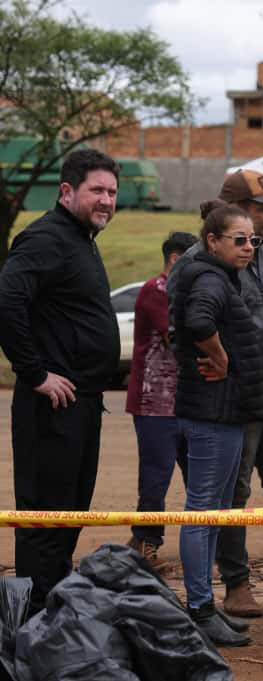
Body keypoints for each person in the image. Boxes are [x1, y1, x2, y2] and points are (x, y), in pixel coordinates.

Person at [170, 169, 263, 619]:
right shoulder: (203, 262)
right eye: (261, 208)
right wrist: (215, 356)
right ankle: (235, 584)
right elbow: (184, 324)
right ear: (233, 210)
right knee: (232, 495)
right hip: (232, 400)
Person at [0, 149, 121, 614]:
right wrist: (34, 373)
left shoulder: (81, 239)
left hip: (82, 404)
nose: (106, 200)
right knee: (45, 522)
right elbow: (6, 300)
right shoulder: (47, 238)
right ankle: (32, 627)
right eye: (97, 190)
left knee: (68, 516)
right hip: (50, 408)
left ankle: (54, 618)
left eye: (112, 192)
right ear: (67, 191)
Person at [172, 205, 263, 647]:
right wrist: (222, 358)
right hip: (212, 414)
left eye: (253, 240)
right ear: (212, 241)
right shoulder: (210, 278)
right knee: (203, 511)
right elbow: (198, 322)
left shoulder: (219, 276)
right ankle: (199, 609)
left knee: (215, 512)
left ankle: (204, 604)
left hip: (224, 412)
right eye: (239, 240)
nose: (249, 247)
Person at [124, 231, 198, 571]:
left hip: (186, 402)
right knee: (156, 477)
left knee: (197, 476)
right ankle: (145, 544)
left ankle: (191, 543)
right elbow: (176, 338)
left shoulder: (184, 291)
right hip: (154, 402)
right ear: (176, 259)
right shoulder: (157, 290)